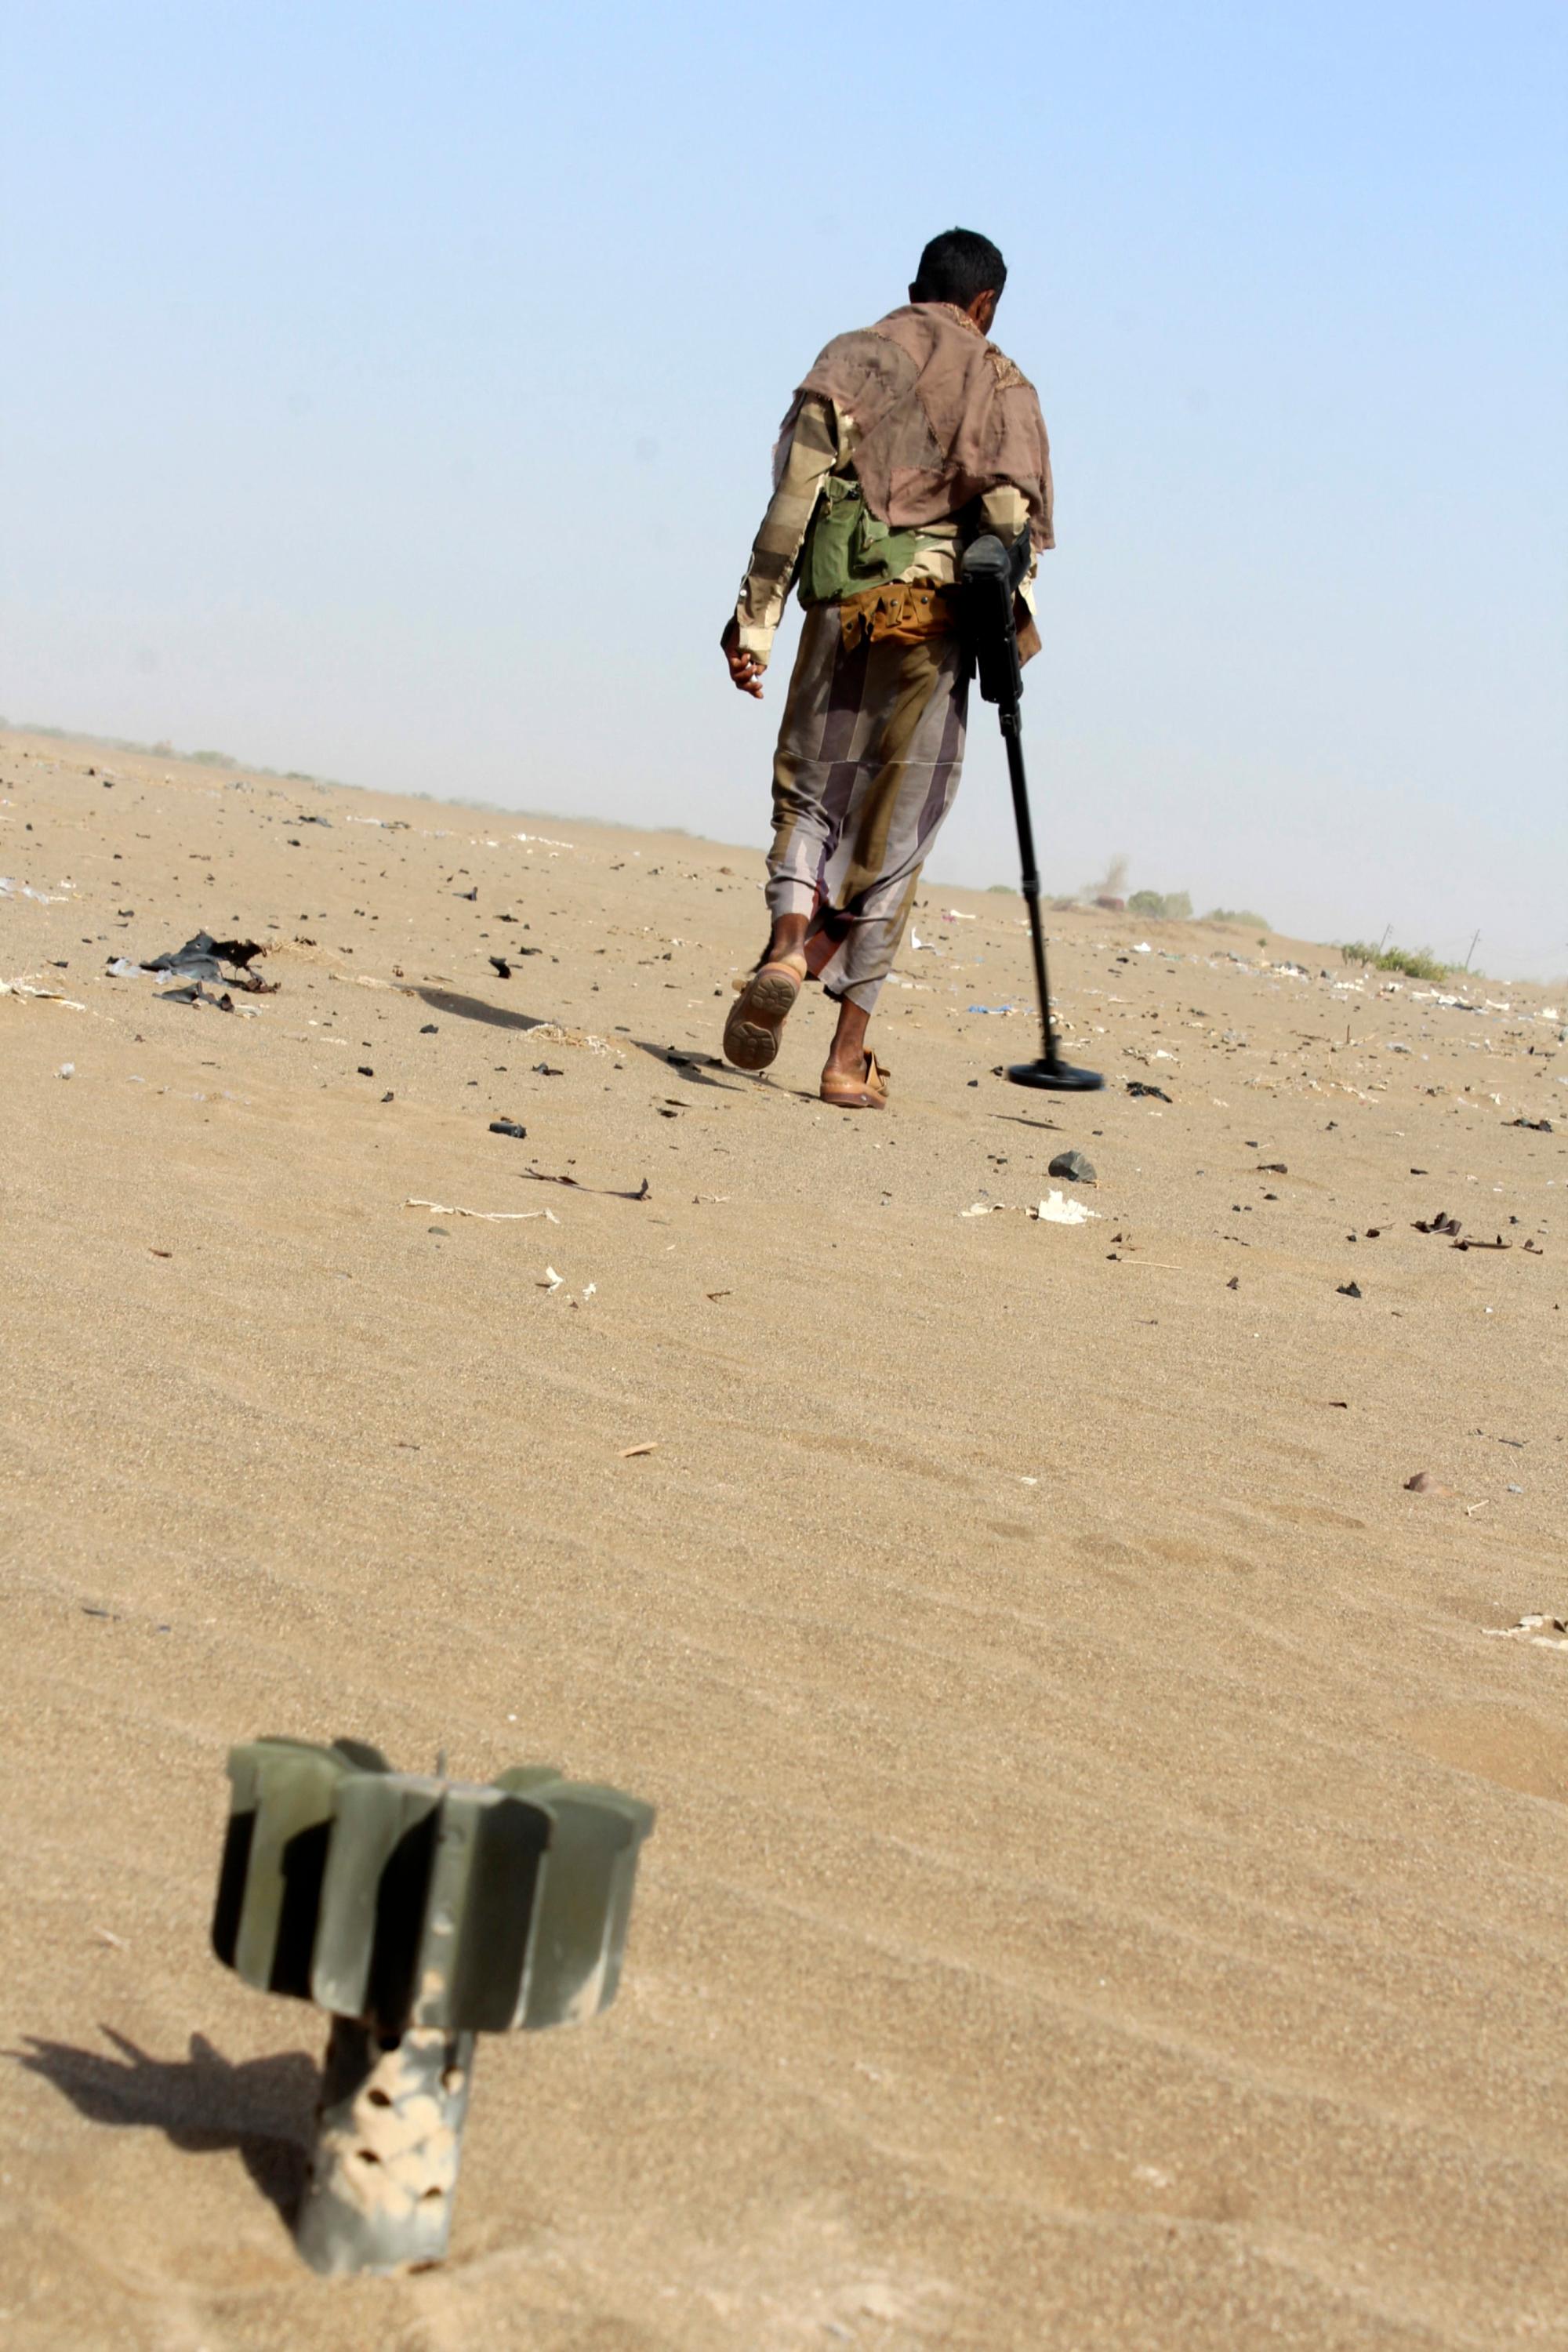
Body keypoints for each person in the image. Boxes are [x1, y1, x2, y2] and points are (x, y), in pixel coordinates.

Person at [720, 227, 1054, 1108]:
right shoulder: (1001, 381)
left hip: (839, 610)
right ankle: (842, 1058)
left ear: (914, 287)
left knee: (809, 798)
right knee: (894, 840)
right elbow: (1011, 517)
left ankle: (789, 943)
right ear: (983, 306)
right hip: (932, 626)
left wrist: (755, 619)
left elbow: (793, 495)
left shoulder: (851, 356)